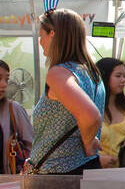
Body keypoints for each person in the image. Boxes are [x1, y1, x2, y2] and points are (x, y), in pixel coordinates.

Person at [28, 9, 105, 174]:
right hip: (87, 166)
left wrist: (88, 141)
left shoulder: (59, 73)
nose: (40, 41)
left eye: (42, 35)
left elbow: (90, 116)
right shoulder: (92, 73)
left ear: (53, 34)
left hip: (60, 174)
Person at [97, 57, 125, 167]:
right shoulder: (89, 107)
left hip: (124, 172)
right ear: (104, 76)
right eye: (118, 76)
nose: (123, 80)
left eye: (124, 76)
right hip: (94, 173)